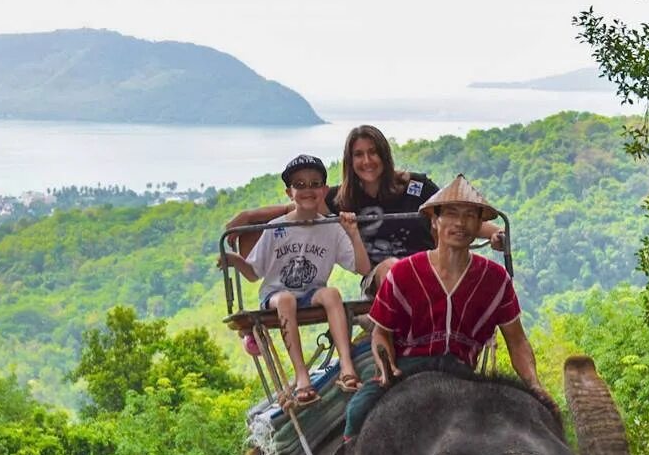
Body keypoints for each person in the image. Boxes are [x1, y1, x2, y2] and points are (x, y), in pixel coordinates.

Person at [343, 174, 548, 437]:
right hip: (407, 369)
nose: (460, 223)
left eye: (470, 215)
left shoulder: (495, 279)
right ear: (434, 221)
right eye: (451, 214)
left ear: (478, 225)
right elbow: (381, 332)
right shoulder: (404, 273)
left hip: (462, 373)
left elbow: (517, 341)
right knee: (357, 411)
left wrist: (534, 385)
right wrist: (387, 369)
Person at [225, 125, 505, 297]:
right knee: (390, 268)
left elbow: (455, 218)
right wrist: (249, 217)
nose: (367, 160)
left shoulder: (416, 187)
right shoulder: (341, 198)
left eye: (373, 152)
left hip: (432, 270)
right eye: (358, 154)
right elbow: (298, 206)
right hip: (379, 280)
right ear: (350, 160)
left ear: (384, 154)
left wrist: (495, 234)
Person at [220, 154, 370, 407]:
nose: (308, 190)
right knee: (286, 299)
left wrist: (353, 234)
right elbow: (254, 273)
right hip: (277, 295)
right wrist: (234, 260)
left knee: (331, 293)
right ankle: (302, 376)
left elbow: (363, 267)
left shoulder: (331, 227)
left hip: (312, 292)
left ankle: (347, 366)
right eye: (300, 185)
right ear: (289, 192)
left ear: (324, 190)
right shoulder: (275, 228)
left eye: (314, 184)